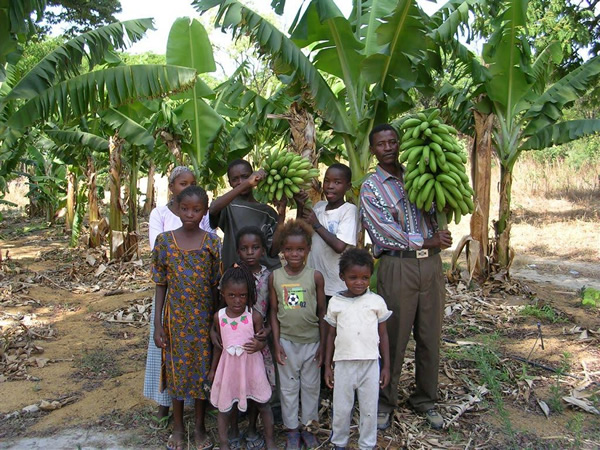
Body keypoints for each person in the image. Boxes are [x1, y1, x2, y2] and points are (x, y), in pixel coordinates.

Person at [360, 123, 452, 430]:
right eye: (381, 144)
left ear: (400, 144)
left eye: (392, 142)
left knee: (429, 336)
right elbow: (383, 233)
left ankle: (425, 398)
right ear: (373, 149)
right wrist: (427, 241)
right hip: (398, 265)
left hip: (432, 266)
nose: (388, 147)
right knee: (394, 336)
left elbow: (437, 209)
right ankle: (386, 400)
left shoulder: (419, 176)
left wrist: (445, 203)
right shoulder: (371, 186)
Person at [152, 185, 221, 450]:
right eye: (185, 209)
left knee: (203, 373)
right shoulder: (165, 242)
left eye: (197, 209)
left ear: (205, 211)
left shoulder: (212, 242)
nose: (190, 214)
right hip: (174, 320)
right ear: (177, 208)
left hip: (204, 321)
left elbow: (218, 288)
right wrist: (158, 323)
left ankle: (200, 428)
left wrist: (216, 324)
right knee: (176, 371)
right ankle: (179, 428)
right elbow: (161, 284)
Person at [144, 166, 213, 423]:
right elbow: (157, 257)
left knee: (199, 357)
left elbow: (212, 266)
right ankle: (167, 409)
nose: (188, 187)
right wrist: (158, 321)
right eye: (183, 183)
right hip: (173, 298)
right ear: (172, 188)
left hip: (199, 302)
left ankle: (199, 416)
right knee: (166, 355)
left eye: (192, 183)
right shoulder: (160, 217)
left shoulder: (207, 235)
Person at [211, 226, 277, 449]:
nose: (250, 252)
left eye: (255, 248)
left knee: (257, 393)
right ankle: (234, 431)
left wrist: (264, 336)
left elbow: (272, 313)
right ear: (238, 251)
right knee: (232, 394)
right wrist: (213, 333)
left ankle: (252, 429)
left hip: (255, 346)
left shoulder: (269, 276)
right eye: (245, 249)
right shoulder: (232, 274)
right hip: (231, 354)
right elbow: (219, 315)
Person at [324, 248, 391, 450]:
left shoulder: (376, 302)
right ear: (342, 276)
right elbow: (330, 335)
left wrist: (386, 366)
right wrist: (328, 365)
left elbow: (384, 335)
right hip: (343, 364)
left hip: (370, 364)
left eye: (364, 277)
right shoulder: (336, 303)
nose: (359, 282)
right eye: (353, 277)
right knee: (342, 408)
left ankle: (367, 444)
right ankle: (339, 442)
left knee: (369, 409)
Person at [269, 219, 327, 450]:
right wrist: (276, 342)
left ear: (308, 250)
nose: (295, 254)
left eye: (300, 249)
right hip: (286, 342)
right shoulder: (276, 277)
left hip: (312, 342)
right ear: (283, 250)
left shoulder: (315, 277)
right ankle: (292, 429)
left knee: (311, 386)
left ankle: (309, 427)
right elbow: (273, 312)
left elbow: (323, 312)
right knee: (288, 387)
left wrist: (323, 344)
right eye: (290, 249)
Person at [209, 159, 285, 271]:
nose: (241, 181)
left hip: (265, 279)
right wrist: (247, 183)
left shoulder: (268, 212)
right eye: (235, 179)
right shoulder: (227, 206)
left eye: (245, 176)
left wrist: (282, 216)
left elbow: (274, 251)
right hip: (236, 279)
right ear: (229, 182)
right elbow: (213, 209)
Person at [299, 163, 358, 299]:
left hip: (336, 286)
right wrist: (300, 205)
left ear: (348, 187)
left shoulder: (348, 210)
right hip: (313, 282)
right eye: (327, 181)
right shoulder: (319, 206)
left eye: (337, 182)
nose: (330, 186)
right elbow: (300, 231)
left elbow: (339, 246)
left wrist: (317, 224)